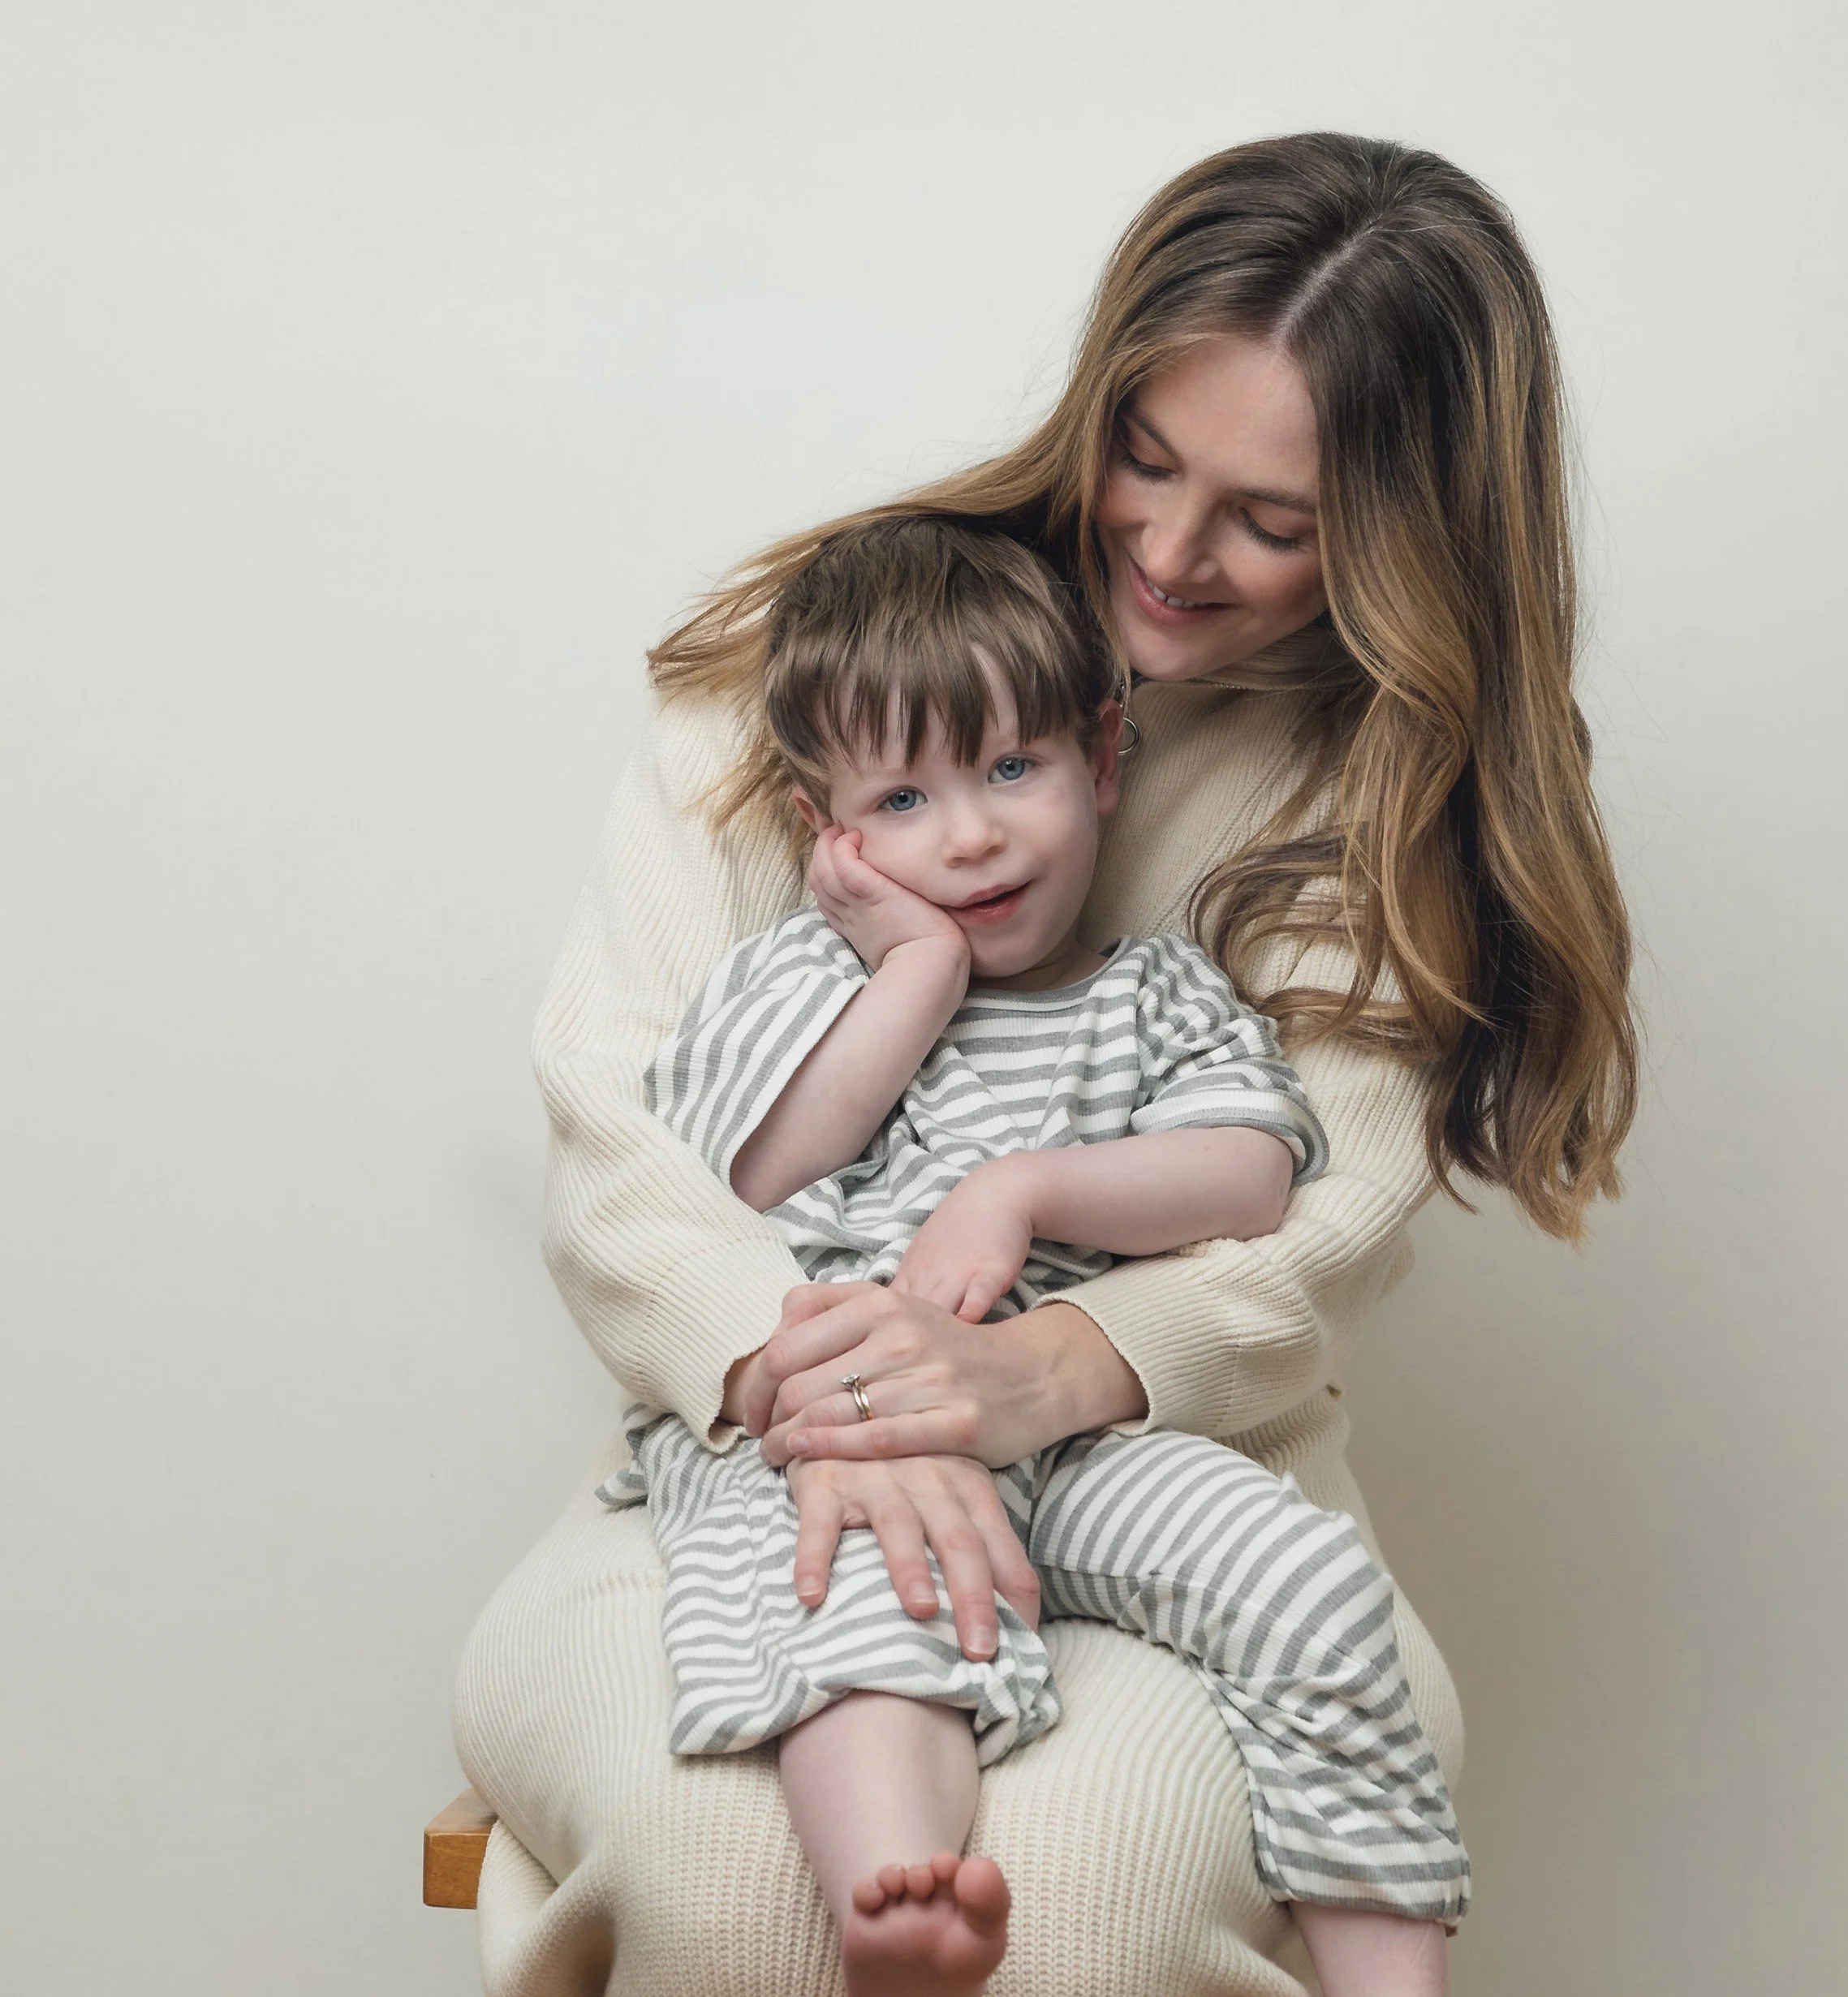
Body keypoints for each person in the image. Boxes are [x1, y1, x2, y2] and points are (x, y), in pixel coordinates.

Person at [455, 131, 1635, 1997]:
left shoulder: (1381, 799)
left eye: (1271, 520)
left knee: (1084, 1916)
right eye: (1144, 458)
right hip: (746, 1448)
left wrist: (1029, 1370)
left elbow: (1309, 1224)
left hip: (1181, 1477)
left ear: (1407, 535)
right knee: (733, 1881)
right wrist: (825, 1387)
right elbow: (629, 1137)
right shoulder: (820, 658)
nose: (1165, 553)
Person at [595, 515, 1467, 1997]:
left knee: (1303, 1581)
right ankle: (897, 1901)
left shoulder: (1157, 996)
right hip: (840, 1439)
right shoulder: (809, 976)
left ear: (1103, 758)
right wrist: (918, 968)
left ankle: (1393, 1978)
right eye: (904, 798)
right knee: (862, 1600)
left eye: (1012, 768)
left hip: (1079, 1434)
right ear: (829, 832)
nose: (972, 836)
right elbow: (748, 1171)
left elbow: (1252, 1176)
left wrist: (1027, 1187)